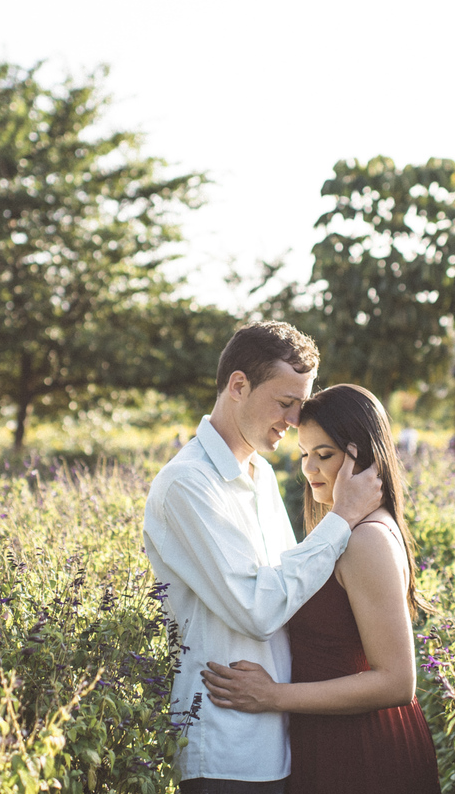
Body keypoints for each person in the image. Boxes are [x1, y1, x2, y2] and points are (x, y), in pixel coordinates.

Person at [143, 323, 383, 793]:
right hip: (225, 745)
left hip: (280, 736)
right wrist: (343, 517)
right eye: (285, 402)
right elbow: (258, 609)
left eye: (300, 405)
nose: (295, 420)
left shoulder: (261, 476)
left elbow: (290, 591)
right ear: (238, 385)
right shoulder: (188, 483)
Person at [201, 384, 440, 793]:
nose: (309, 469)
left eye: (324, 455)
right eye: (304, 454)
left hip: (363, 749)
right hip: (328, 737)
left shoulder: (368, 539)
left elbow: (397, 681)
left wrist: (272, 696)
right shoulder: (344, 531)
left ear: (363, 458)